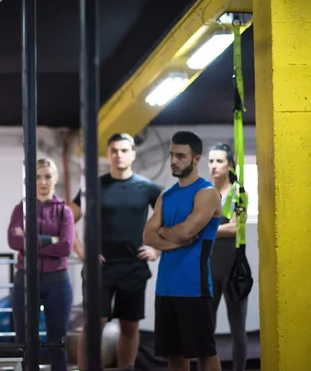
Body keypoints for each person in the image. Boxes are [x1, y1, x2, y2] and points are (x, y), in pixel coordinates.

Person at [69, 133, 162, 371]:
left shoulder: (148, 188)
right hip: (100, 268)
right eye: (114, 151)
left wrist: (156, 249)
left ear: (132, 153)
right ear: (108, 155)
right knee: (93, 327)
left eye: (123, 150)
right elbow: (66, 220)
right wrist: (82, 251)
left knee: (129, 327)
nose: (119, 155)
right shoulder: (93, 186)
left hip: (133, 267)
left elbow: (170, 220)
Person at [143, 131, 222, 371]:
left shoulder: (207, 193)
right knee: (174, 356)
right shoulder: (166, 196)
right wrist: (174, 238)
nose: (173, 161)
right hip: (165, 288)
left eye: (180, 156)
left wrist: (164, 233)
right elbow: (147, 236)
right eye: (171, 155)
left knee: (205, 353)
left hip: (194, 288)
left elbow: (187, 232)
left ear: (196, 159)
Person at [7, 158, 75, 371]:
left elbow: (66, 247)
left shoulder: (65, 211)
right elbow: (14, 241)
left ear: (55, 178)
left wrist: (31, 241)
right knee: (25, 343)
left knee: (58, 344)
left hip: (58, 282)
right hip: (25, 280)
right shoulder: (21, 209)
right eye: (37, 177)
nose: (43, 181)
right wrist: (49, 239)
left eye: (47, 176)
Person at [208, 143, 248, 371]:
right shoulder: (204, 194)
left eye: (219, 161)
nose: (214, 166)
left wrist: (206, 229)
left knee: (237, 328)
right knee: (207, 327)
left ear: (229, 165)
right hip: (210, 266)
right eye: (211, 161)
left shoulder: (238, 193)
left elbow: (236, 229)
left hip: (234, 267)